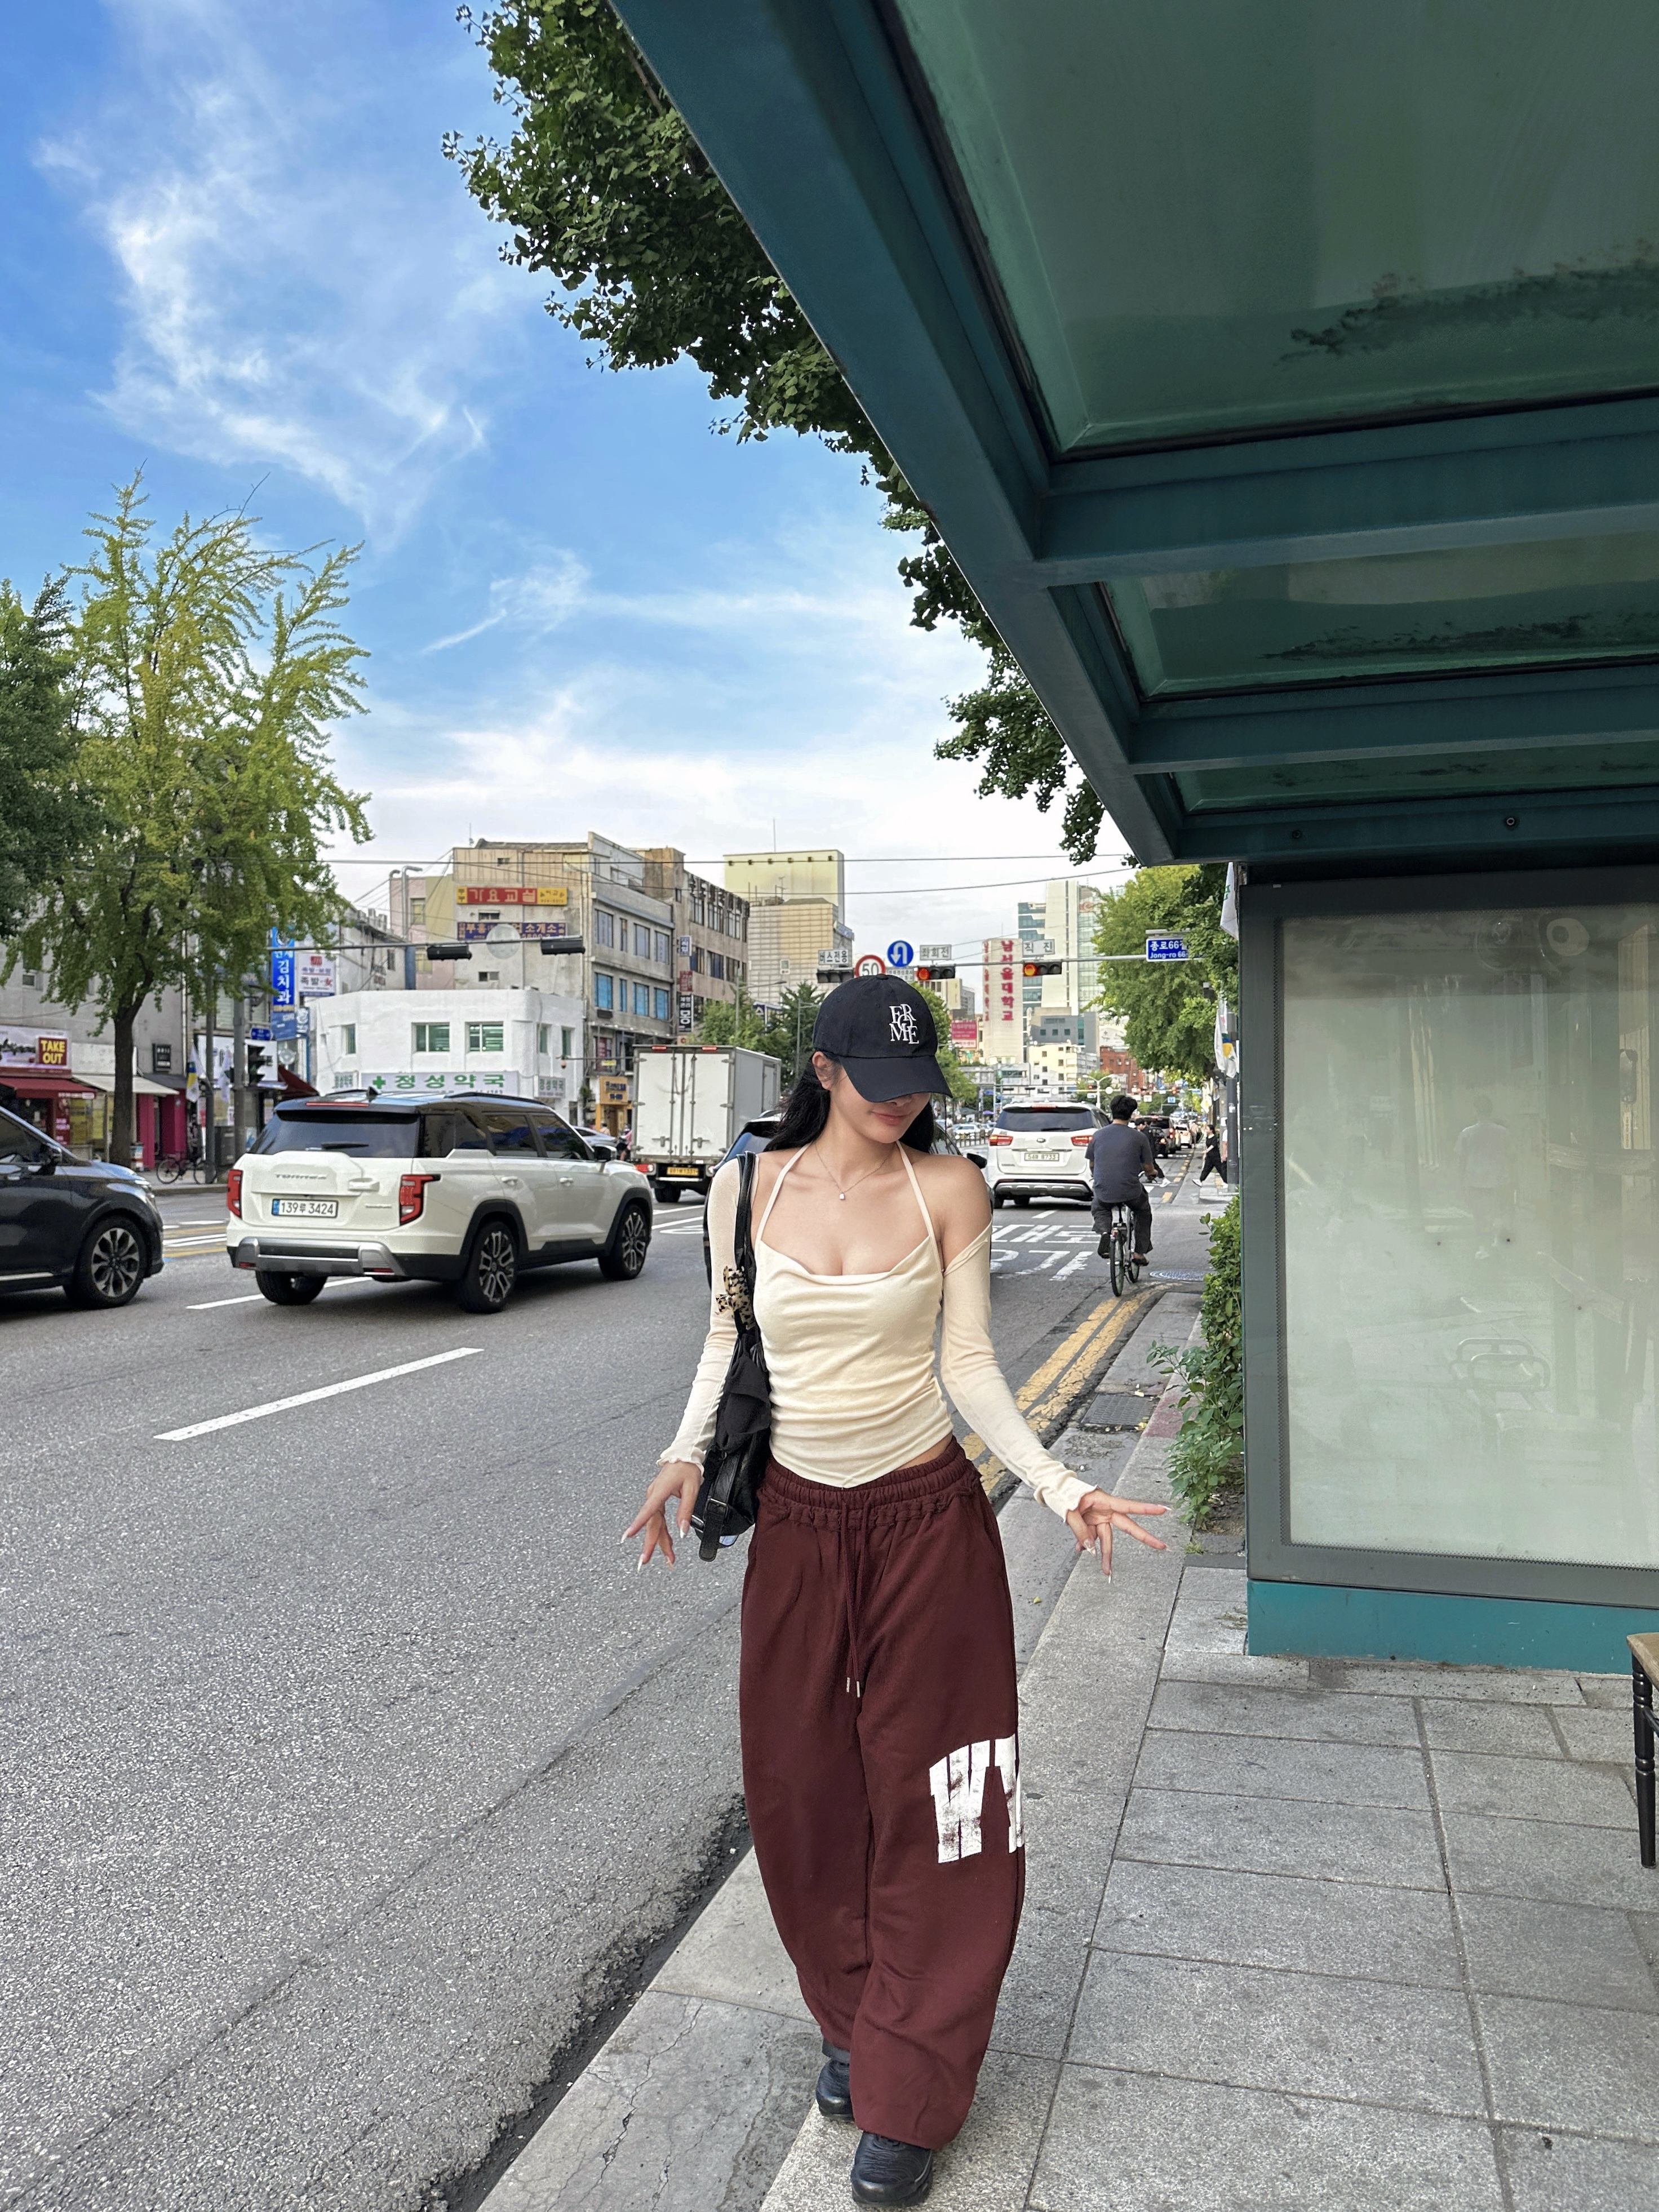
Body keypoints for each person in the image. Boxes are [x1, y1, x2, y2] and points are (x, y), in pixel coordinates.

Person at [627, 976, 1165, 2207]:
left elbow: (966, 1364)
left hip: (927, 1521)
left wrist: (1056, 1485)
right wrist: (679, 1452)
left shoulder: (948, 1187)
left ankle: (910, 2082)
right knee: (799, 1793)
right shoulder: (744, 1188)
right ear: (822, 1071)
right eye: (874, 1084)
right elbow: (725, 1336)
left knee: (945, 1799)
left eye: (913, 1086)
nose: (897, 1105)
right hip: (797, 1529)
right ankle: (855, 2018)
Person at [1087, 1094, 1163, 1260]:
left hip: (1104, 1188)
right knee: (1143, 1210)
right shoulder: (1139, 1137)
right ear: (1131, 1114)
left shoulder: (1098, 1136)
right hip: (1130, 1191)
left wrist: (1098, 1176)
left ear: (1112, 1111)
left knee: (1100, 1207)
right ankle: (1139, 1252)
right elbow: (1148, 1167)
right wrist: (1152, 1174)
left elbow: (1092, 1164)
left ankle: (1105, 1233)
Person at [1453, 1091, 1513, 1258]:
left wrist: (1460, 1183)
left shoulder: (1467, 1133)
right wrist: (1514, 1180)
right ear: (1491, 1110)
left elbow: (1461, 1161)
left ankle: (1483, 1247)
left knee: (1479, 1215)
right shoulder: (1503, 1132)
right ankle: (1496, 1240)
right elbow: (1510, 1157)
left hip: (1475, 1181)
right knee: (1498, 1211)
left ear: (1475, 1110)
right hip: (1499, 1179)